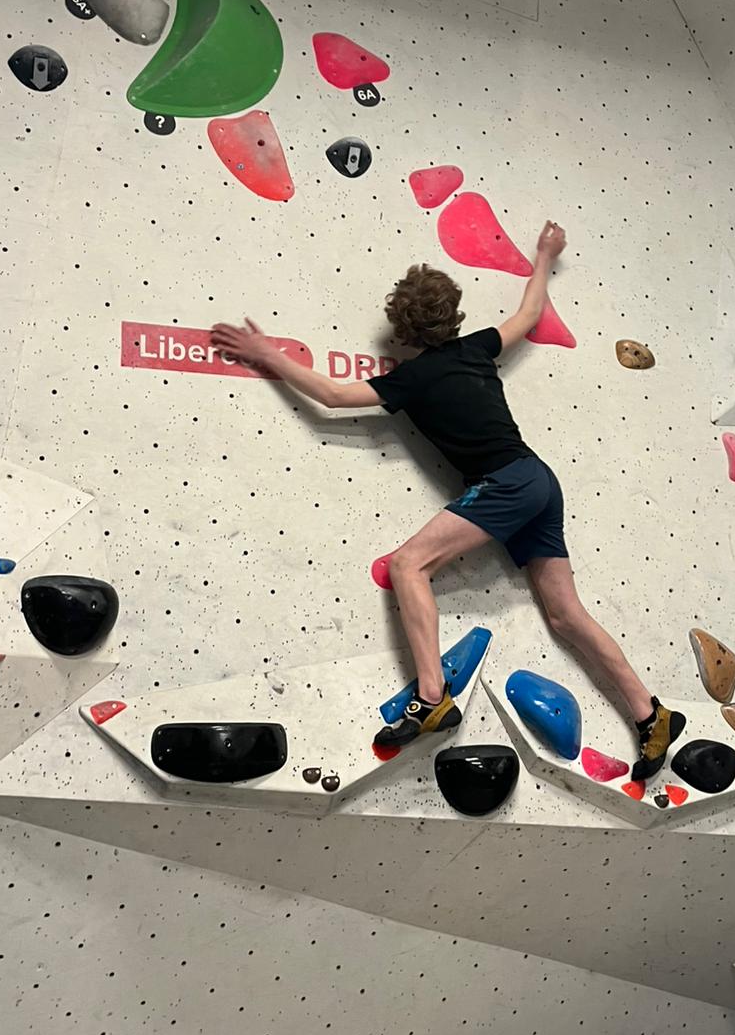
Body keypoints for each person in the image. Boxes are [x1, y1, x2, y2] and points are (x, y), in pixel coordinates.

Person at [210, 222, 684, 778]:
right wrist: (545, 255)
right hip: (538, 480)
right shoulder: (477, 347)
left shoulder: (411, 379)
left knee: (408, 565)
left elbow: (332, 396)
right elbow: (529, 314)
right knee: (565, 615)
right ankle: (651, 714)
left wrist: (266, 353)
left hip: (508, 483)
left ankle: (432, 698)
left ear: (402, 328)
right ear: (453, 314)